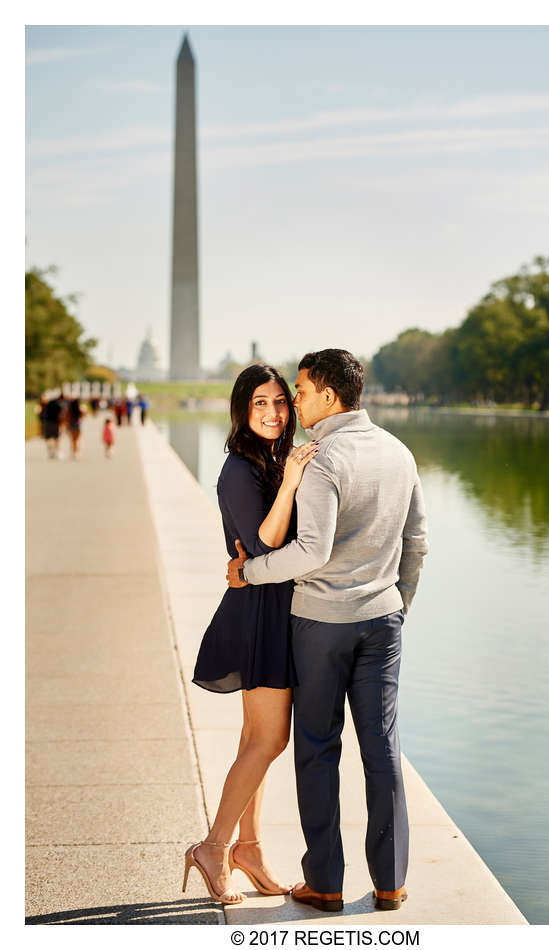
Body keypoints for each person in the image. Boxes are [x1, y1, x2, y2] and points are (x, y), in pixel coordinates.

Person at [227, 349, 428, 913]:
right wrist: (396, 604)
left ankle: (326, 883)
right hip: (383, 621)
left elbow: (310, 552)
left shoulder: (318, 457)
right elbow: (418, 543)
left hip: (321, 625)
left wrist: (249, 571)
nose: (294, 400)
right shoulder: (399, 451)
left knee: (317, 749)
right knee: (382, 748)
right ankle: (390, 883)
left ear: (329, 397)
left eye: (301, 390)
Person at [183, 364, 318, 905]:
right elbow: (263, 549)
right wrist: (289, 485)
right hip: (259, 611)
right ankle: (214, 846)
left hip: (278, 606)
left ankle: (250, 847)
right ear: (242, 410)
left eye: (281, 402)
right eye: (260, 403)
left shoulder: (279, 459)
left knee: (253, 740)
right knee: (270, 740)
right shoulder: (240, 470)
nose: (273, 413)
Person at [41, 392, 63, 459]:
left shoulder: (46, 404)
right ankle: (56, 451)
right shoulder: (58, 404)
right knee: (56, 438)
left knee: (48, 438)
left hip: (48, 422)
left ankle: (50, 452)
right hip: (55, 422)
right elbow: (60, 415)